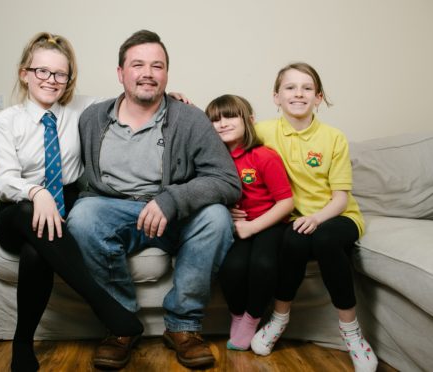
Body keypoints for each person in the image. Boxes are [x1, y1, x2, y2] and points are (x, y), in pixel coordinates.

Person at [66, 30, 241, 369]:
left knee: (217, 217)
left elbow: (226, 180)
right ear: (121, 73)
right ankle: (121, 325)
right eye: (138, 65)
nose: (147, 73)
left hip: (172, 214)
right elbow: (60, 159)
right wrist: (6, 172)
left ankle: (183, 326)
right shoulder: (92, 118)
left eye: (157, 66)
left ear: (166, 74)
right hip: (113, 210)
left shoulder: (190, 118)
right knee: (83, 216)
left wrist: (173, 199)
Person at [0, 32, 145, 372]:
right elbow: (4, 182)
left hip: (66, 205)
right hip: (18, 212)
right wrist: (36, 192)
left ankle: (22, 345)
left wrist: (169, 98)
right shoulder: (5, 122)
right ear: (24, 73)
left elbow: (132, 99)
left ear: (68, 79)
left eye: (60, 74)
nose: (51, 80)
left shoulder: (81, 110)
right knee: (31, 216)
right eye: (42, 71)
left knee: (36, 253)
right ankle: (103, 304)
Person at [249, 62, 378, 372]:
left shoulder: (334, 138)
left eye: (307, 88)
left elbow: (341, 198)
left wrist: (319, 218)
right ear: (276, 96)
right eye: (290, 87)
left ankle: (352, 333)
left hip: (337, 216)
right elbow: (219, 128)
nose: (298, 93)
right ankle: (279, 319)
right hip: (295, 219)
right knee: (293, 238)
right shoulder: (262, 131)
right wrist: (178, 101)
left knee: (323, 239)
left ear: (318, 98)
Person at [205, 94, 293, 351]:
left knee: (262, 264)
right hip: (237, 227)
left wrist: (254, 226)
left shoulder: (264, 156)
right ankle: (238, 315)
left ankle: (252, 319)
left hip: (269, 223)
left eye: (230, 116)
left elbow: (286, 202)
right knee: (231, 268)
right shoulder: (213, 161)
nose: (222, 123)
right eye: (215, 119)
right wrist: (225, 210)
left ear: (249, 120)